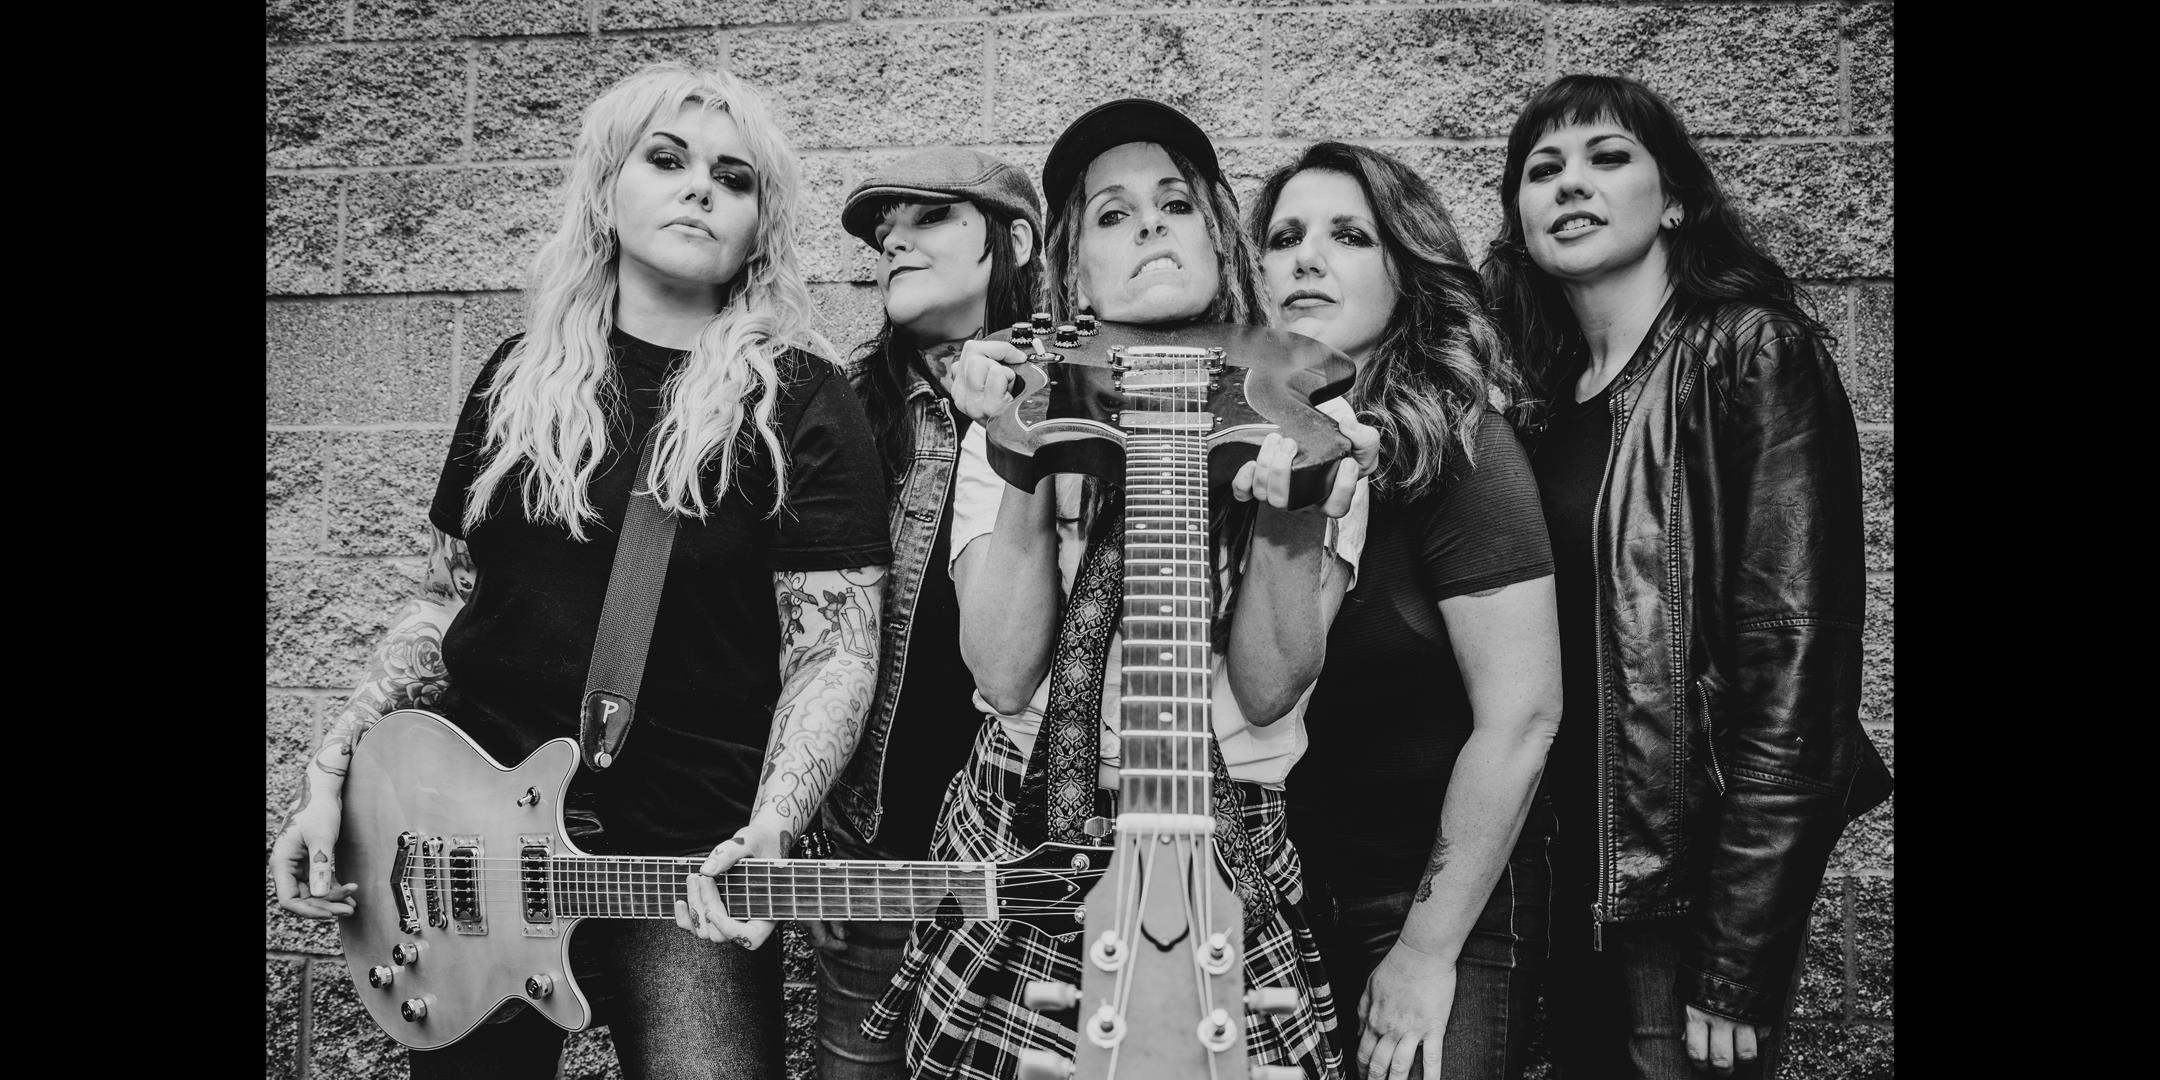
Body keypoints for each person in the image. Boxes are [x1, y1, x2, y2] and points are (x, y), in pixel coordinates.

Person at [266, 61, 893, 1080]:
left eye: (734, 178)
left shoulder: (800, 401)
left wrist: (775, 826)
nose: (701, 188)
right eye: (667, 159)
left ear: (759, 229)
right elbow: (445, 600)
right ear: (606, 192)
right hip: (467, 854)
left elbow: (835, 651)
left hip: (684, 865)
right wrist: (332, 770)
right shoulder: (518, 381)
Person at [860, 98, 1378, 1080]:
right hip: (1021, 829)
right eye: (1112, 213)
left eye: (1175, 205)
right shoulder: (1014, 399)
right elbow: (1003, 672)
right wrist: (1020, 444)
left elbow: (1270, 688)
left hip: (1224, 845)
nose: (1149, 226)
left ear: (1219, 238)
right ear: (1071, 268)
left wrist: (1295, 510)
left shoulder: (1314, 413)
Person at [1479, 74, 1893, 1079]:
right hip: (1562, 882)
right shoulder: (1535, 400)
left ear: (1673, 200)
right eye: (1543, 169)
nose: (1570, 183)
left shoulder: (1749, 354)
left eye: (1607, 157)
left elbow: (1799, 673)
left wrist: (1741, 948)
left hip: (1684, 902)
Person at [1249, 142, 1562, 1080]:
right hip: (1288, 902)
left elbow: (1523, 719)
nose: (1307, 259)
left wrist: (1425, 953)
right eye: (1284, 238)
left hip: (1435, 906)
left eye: (1349, 236)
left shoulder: (1459, 449)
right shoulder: (1251, 455)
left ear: (1407, 275)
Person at [806, 147, 1048, 1080]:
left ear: (1015, 241)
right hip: (876, 858)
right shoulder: (840, 410)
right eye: (884, 230)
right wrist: (805, 826)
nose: (895, 241)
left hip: (1027, 869)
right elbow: (793, 636)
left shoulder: (1081, 403)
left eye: (930, 216)